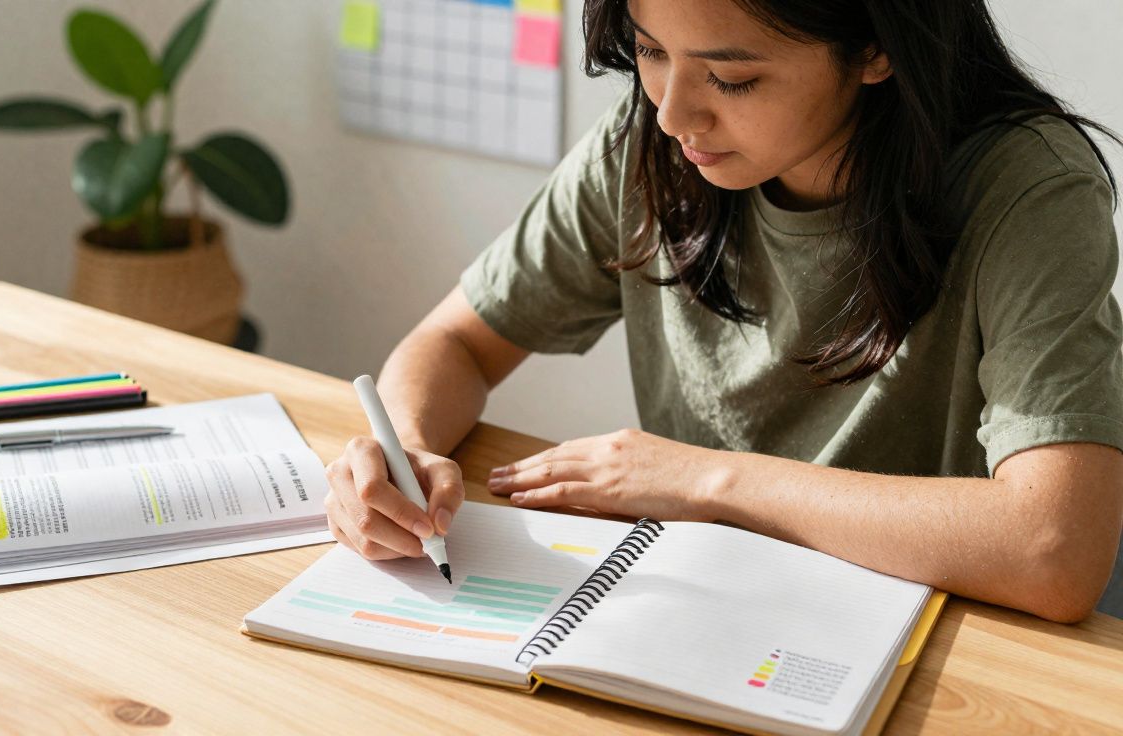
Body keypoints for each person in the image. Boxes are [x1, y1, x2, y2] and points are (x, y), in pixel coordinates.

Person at [324, 0, 1123, 623]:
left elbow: (1055, 549)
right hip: (712, 611)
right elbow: (456, 340)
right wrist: (404, 454)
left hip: (931, 637)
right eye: (648, 50)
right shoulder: (647, 148)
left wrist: (707, 481)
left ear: (877, 46)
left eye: (731, 78)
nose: (673, 114)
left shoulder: (1027, 189)